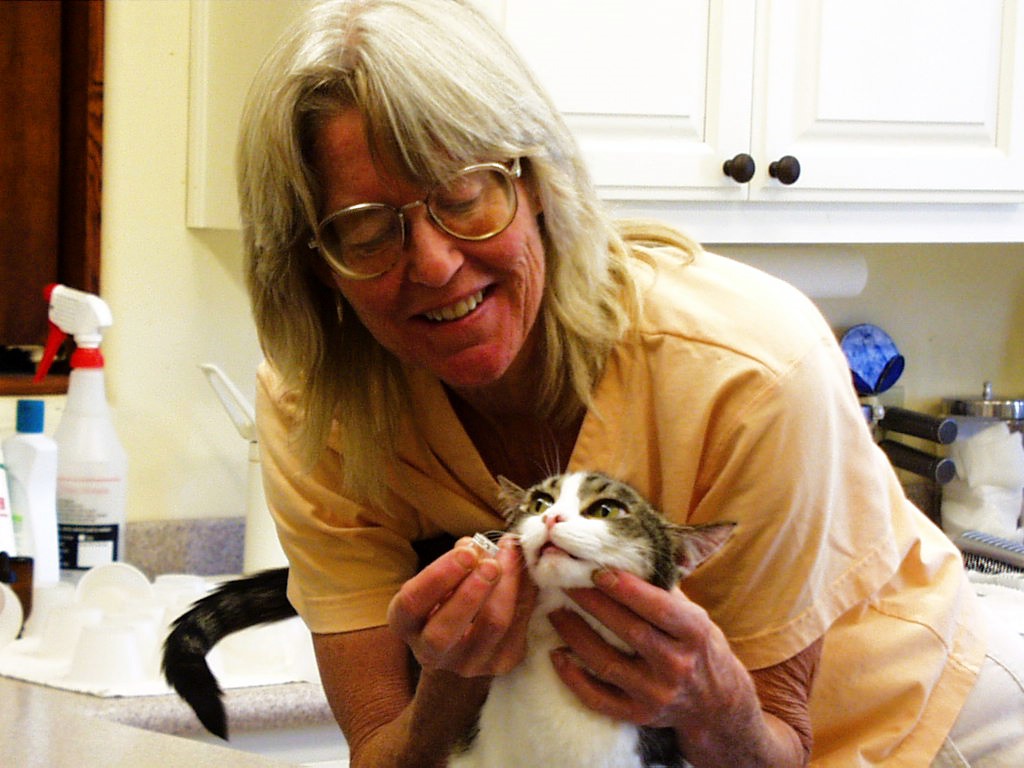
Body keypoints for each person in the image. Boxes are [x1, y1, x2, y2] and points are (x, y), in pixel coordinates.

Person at [238, 1, 1024, 765]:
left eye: (465, 196)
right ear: (314, 261)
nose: (436, 264)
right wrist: (451, 683)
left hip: (911, 724)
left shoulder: (750, 370)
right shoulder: (321, 409)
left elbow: (779, 744)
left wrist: (712, 701)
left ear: (536, 181)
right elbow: (383, 754)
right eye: (370, 228)